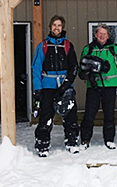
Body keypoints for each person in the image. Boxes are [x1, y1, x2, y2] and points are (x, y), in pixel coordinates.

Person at [32, 15, 79, 157]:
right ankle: (42, 145)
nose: (56, 27)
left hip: (65, 86)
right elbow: (36, 68)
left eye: (59, 25)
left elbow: (74, 67)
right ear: (50, 27)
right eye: (54, 25)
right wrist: (37, 89)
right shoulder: (43, 45)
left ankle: (72, 142)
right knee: (46, 117)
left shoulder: (68, 46)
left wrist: (66, 84)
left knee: (70, 116)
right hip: (48, 86)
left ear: (62, 27)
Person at [79, 24, 117, 150]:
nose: (102, 36)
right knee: (89, 114)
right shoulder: (88, 49)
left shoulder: (114, 49)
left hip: (110, 86)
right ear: (95, 35)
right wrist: (84, 73)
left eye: (104, 34)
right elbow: (82, 66)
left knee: (109, 114)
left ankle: (109, 139)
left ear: (108, 35)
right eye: (99, 33)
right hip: (94, 86)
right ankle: (85, 139)